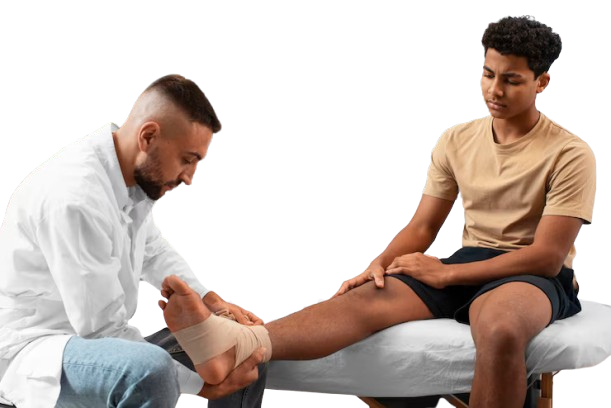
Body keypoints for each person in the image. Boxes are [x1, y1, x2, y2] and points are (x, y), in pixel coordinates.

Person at [156, 15, 597, 408]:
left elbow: (546, 256)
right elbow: (423, 225)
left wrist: (446, 274)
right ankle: (237, 343)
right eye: (488, 74)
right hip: (466, 262)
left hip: (530, 274)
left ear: (542, 82)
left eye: (512, 80)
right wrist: (377, 267)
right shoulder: (456, 140)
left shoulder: (570, 153)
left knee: (501, 330)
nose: (494, 90)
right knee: (362, 300)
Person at [0, 74, 267, 407]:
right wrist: (201, 385)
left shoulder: (127, 180)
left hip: (102, 343)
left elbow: (153, 251)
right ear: (148, 136)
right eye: (187, 159)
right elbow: (101, 331)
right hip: (41, 354)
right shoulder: (76, 197)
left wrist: (209, 300)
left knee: (243, 351)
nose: (189, 178)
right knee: (150, 370)